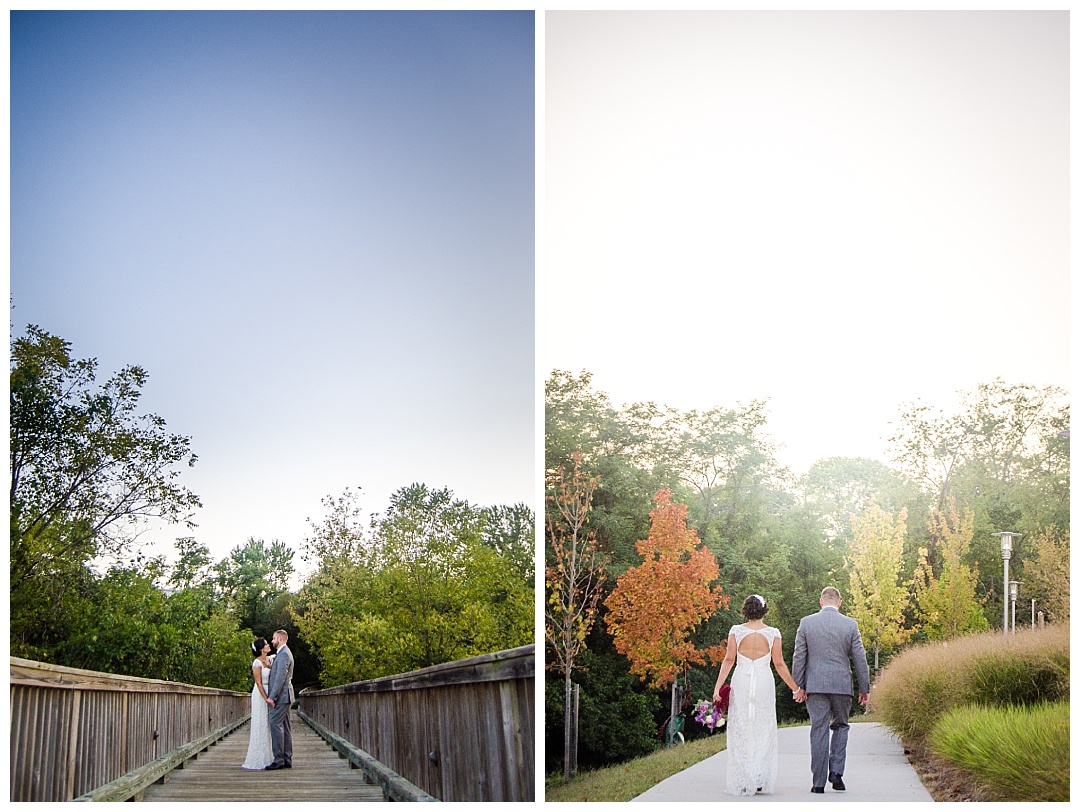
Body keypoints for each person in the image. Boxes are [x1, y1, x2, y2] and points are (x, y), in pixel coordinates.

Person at [712, 594, 802, 796]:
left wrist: (718, 688)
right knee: (763, 725)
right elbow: (779, 664)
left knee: (742, 725)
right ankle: (759, 776)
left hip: (742, 679)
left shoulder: (736, 631)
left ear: (746, 610)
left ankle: (745, 777)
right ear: (764, 610)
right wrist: (795, 688)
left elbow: (728, 660)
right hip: (763, 681)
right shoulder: (773, 633)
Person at [792, 586, 871, 794]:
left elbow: (799, 656)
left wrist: (797, 686)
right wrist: (864, 687)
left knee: (818, 729)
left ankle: (818, 783)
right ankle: (836, 773)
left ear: (821, 602)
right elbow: (860, 659)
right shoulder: (850, 625)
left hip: (815, 686)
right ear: (839, 602)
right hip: (842, 685)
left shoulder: (807, 623)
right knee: (841, 726)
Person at [241, 637, 275, 770]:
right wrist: (266, 697)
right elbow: (258, 682)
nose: (268, 645)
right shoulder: (257, 663)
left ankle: (270, 755)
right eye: (266, 644)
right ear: (261, 648)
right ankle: (258, 757)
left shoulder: (269, 659)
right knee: (260, 722)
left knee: (268, 723)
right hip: (260, 693)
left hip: (270, 691)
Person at [264, 629, 295, 770]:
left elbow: (280, 678)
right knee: (285, 727)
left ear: (281, 639)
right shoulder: (282, 654)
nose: (272, 641)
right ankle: (287, 757)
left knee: (275, 724)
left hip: (281, 696)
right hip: (285, 696)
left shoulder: (283, 655)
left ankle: (279, 759)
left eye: (274, 638)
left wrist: (272, 696)